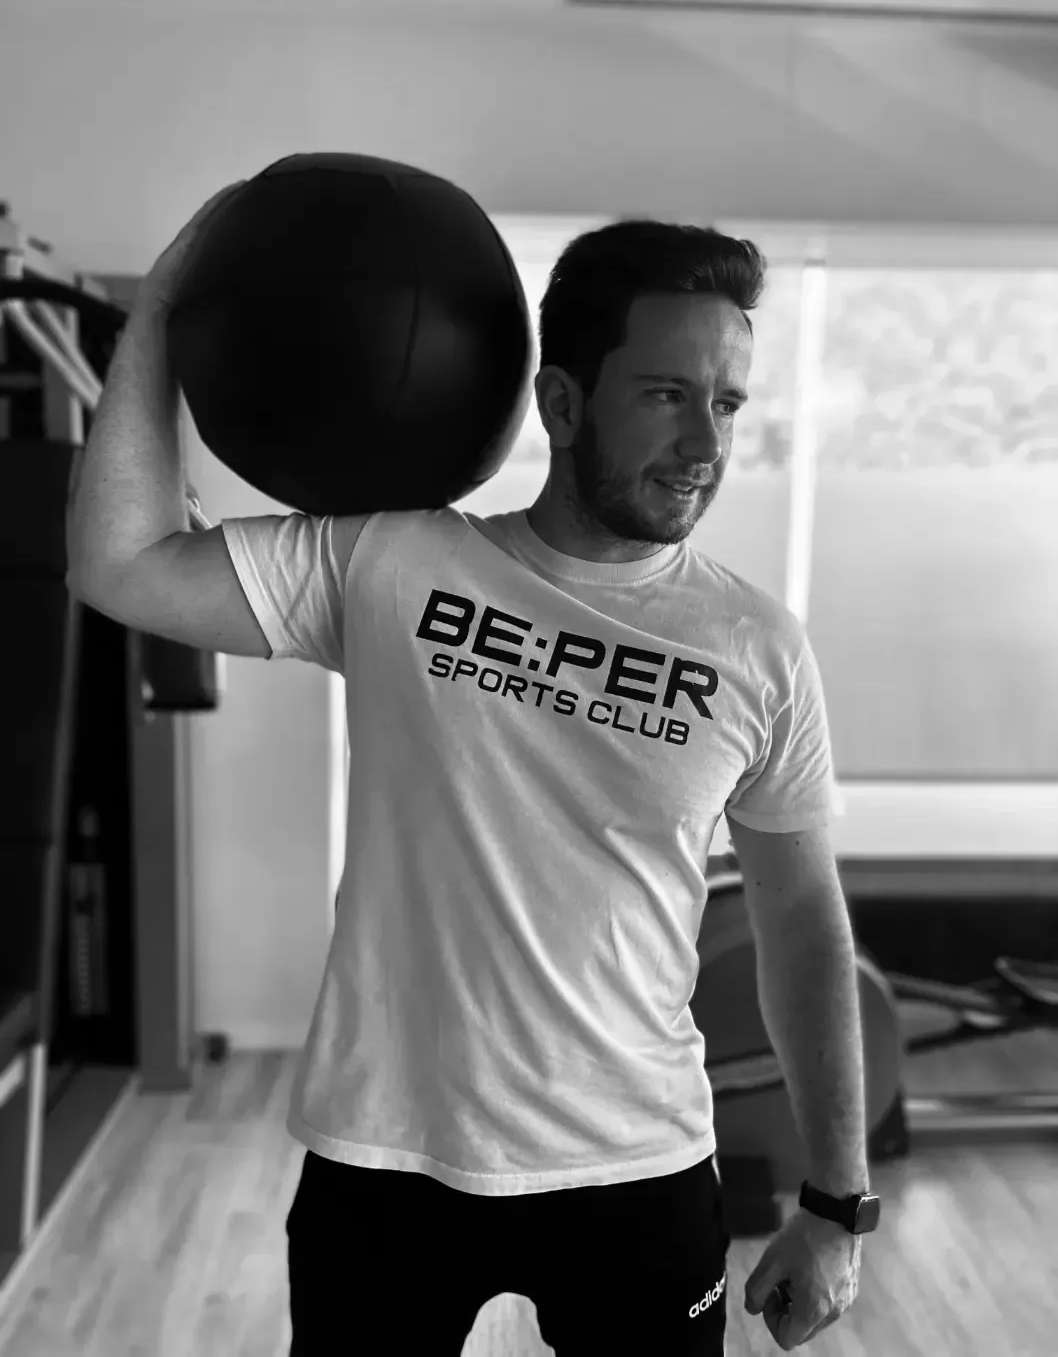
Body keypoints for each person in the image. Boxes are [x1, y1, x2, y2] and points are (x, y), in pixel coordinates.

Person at [68, 212, 870, 1356]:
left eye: (728, 402)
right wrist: (163, 293)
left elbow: (801, 920)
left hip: (633, 1162)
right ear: (558, 401)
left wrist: (836, 1204)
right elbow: (118, 562)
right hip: (383, 1154)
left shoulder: (756, 647)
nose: (705, 441)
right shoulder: (394, 560)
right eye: (663, 394)